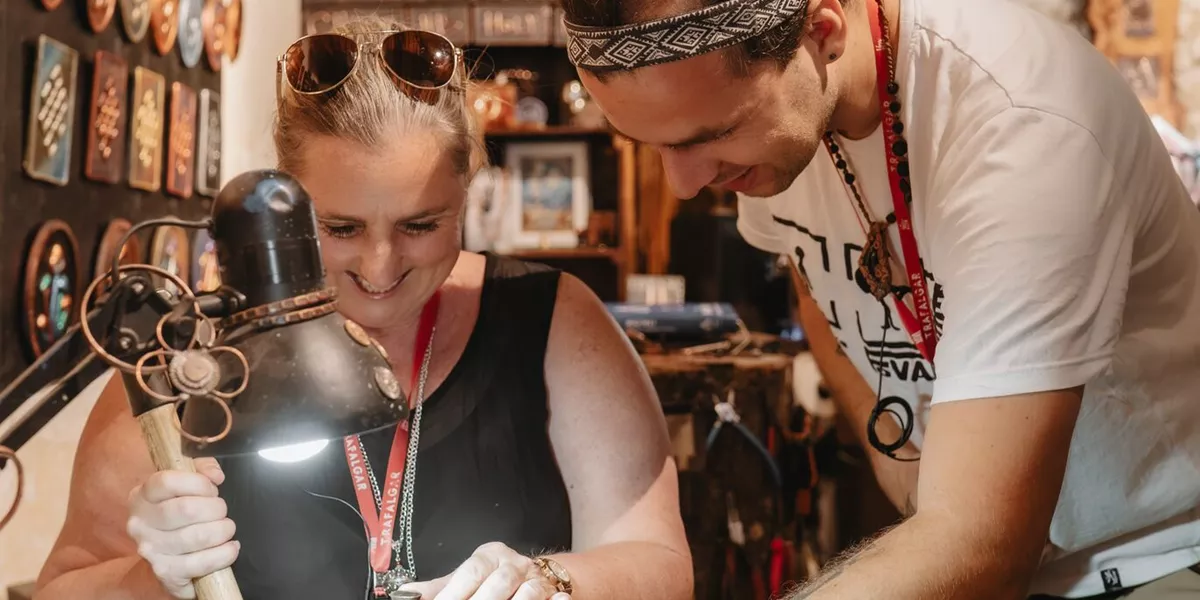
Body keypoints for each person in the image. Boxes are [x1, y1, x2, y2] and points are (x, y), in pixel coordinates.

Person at [560, 0, 1200, 599]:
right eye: (654, 145)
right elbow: (809, 273)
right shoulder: (781, 131)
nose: (685, 185)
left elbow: (981, 542)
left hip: (1156, 553)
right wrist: (893, 441)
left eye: (710, 134)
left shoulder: (1020, 122)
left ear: (823, 28)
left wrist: (943, 523)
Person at [33, 20, 693, 600]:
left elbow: (660, 565)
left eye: (420, 224)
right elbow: (63, 587)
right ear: (285, 201)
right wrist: (160, 583)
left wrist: (551, 583)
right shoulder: (188, 354)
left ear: (467, 191)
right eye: (341, 228)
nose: (380, 269)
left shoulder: (554, 322)